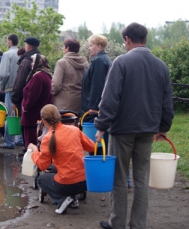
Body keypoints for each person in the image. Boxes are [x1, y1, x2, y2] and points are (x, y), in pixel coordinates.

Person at [94, 23, 174, 229]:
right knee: (141, 177)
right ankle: (139, 224)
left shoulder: (121, 62)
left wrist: (101, 125)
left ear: (127, 39)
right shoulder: (161, 65)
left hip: (123, 129)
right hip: (148, 128)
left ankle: (117, 223)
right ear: (145, 39)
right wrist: (163, 127)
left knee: (119, 177)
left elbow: (110, 98)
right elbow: (167, 101)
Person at [28, 104, 95, 214]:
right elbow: (92, 147)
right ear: (59, 117)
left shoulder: (47, 138)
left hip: (67, 183)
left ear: (44, 121)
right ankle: (73, 199)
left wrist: (35, 151)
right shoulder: (74, 130)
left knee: (42, 179)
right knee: (61, 168)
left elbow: (42, 165)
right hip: (86, 181)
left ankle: (62, 199)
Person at [81, 34, 111, 155]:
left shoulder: (99, 61)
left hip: (94, 109)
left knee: (95, 143)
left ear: (99, 46)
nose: (89, 48)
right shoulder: (104, 59)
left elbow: (97, 85)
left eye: (91, 45)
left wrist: (93, 106)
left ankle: (97, 167)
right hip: (98, 106)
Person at [10, 36, 41, 151]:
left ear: (27, 46)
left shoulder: (26, 60)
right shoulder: (41, 59)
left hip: (25, 98)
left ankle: (27, 148)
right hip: (39, 98)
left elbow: (20, 81)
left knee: (26, 124)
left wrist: (14, 99)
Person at [21, 54, 53, 149]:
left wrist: (26, 107)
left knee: (32, 143)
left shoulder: (38, 77)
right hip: (39, 114)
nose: (31, 64)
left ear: (39, 63)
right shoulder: (47, 75)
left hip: (33, 116)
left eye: (34, 62)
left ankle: (33, 162)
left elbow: (33, 96)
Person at [51, 39, 88, 113]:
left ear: (67, 48)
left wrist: (52, 92)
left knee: (64, 123)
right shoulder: (85, 63)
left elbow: (56, 84)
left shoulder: (62, 62)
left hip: (63, 103)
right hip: (80, 101)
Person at [0, 34, 20, 149]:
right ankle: (20, 139)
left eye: (7, 40)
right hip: (22, 88)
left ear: (10, 41)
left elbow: (4, 73)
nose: (7, 42)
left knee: (10, 114)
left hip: (10, 87)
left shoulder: (7, 54)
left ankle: (9, 142)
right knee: (19, 114)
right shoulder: (22, 53)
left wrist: (2, 85)